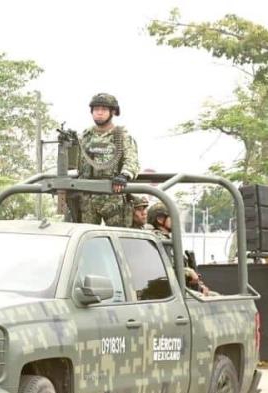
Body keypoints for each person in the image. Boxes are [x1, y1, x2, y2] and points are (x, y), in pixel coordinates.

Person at [76, 93, 140, 227]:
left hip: (112, 195)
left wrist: (124, 175)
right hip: (88, 196)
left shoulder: (121, 136)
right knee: (86, 238)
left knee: (120, 237)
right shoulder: (85, 136)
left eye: (104, 110)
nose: (99, 113)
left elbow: (132, 160)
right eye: (96, 109)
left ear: (113, 112)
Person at [147, 203, 211, 295]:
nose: (177, 221)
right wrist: (188, 272)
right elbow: (163, 269)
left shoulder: (166, 239)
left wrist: (199, 285)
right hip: (167, 291)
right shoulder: (158, 240)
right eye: (172, 217)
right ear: (160, 219)